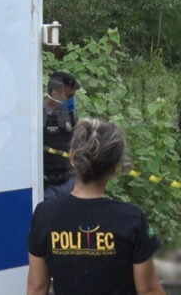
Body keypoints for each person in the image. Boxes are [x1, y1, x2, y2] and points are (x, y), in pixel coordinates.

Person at [27, 118, 165, 295]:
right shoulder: (131, 219)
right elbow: (148, 290)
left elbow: (37, 286)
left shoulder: (45, 215)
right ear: (115, 168)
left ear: (72, 157)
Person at [43, 71, 80, 201]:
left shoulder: (69, 114)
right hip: (46, 186)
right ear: (54, 94)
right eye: (69, 96)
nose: (71, 100)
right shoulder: (37, 114)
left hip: (68, 181)